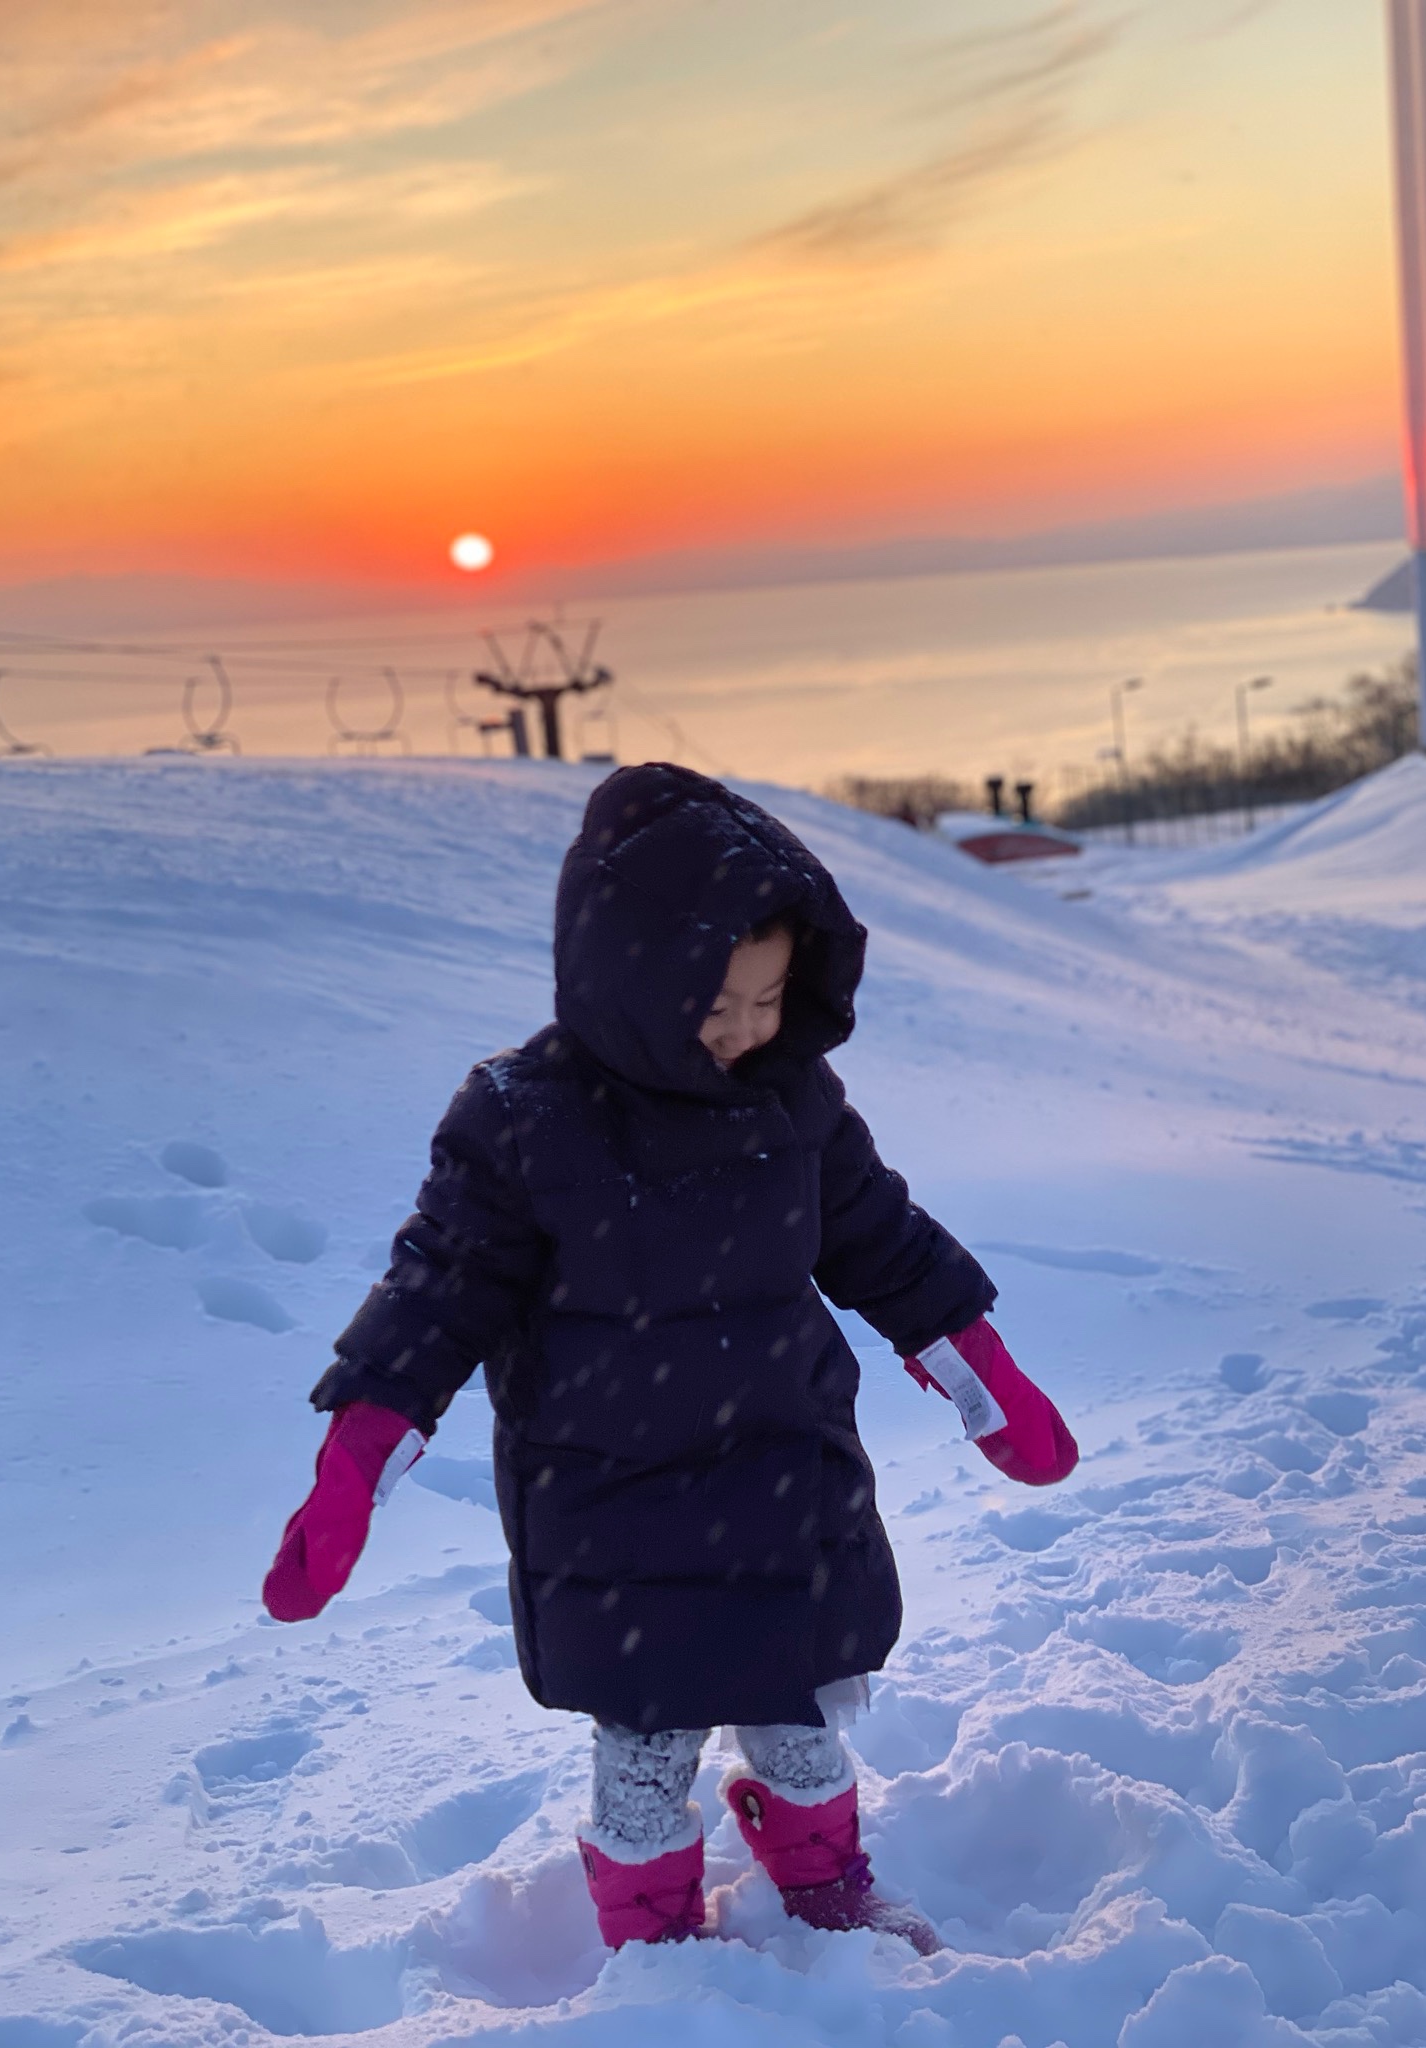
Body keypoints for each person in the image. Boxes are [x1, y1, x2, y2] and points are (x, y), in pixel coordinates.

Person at [262, 762, 1077, 1953]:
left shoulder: (792, 1095)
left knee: (799, 1714)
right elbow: (440, 1289)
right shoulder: (523, 1118)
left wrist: (979, 1365)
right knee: (643, 1750)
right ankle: (653, 1938)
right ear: (629, 978)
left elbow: (878, 1238)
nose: (748, 1028)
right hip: (613, 1501)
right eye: (716, 1004)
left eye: (770, 996)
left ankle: (825, 1880)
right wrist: (363, 1446)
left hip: (785, 1475)